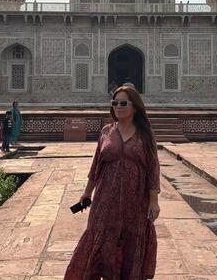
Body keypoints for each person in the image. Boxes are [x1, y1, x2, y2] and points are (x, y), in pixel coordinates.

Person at [65, 86, 160, 280]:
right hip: (105, 199)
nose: (118, 106)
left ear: (134, 107)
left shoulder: (145, 134)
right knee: (99, 239)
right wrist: (87, 192)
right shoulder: (106, 131)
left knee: (131, 242)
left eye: (123, 103)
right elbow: (96, 165)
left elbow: (153, 168)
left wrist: (153, 200)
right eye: (114, 103)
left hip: (135, 201)